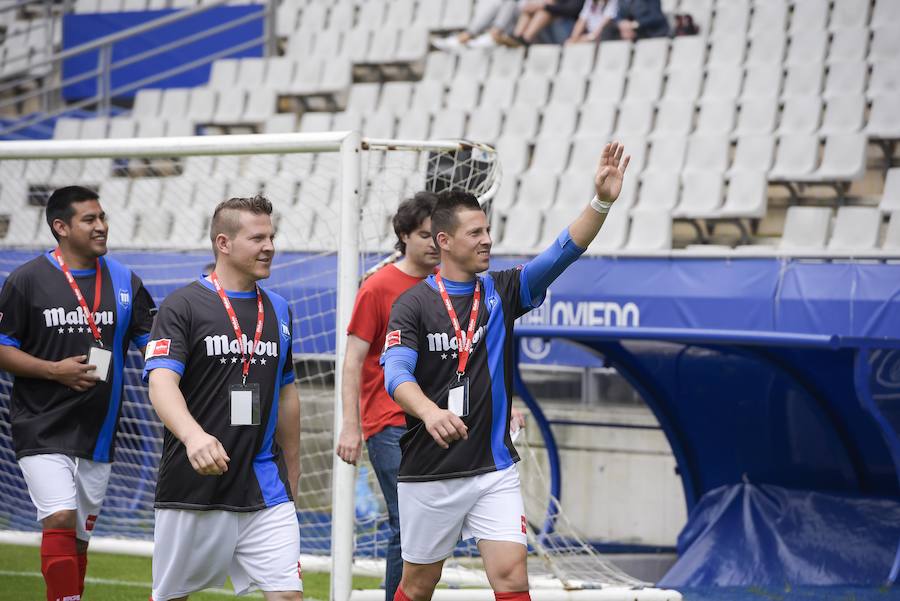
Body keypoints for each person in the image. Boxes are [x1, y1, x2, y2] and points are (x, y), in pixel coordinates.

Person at [381, 142, 630, 601]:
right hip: (430, 472)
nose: (487, 240)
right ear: (444, 241)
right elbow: (395, 373)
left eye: (488, 230)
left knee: (513, 579)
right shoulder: (412, 303)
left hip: (492, 467)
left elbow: (562, 252)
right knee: (417, 587)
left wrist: (602, 201)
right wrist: (430, 412)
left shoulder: (503, 290)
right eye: (475, 232)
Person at [0, 185, 156, 601]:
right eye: (90, 219)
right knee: (60, 518)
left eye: (102, 217)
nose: (101, 226)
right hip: (41, 426)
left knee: (80, 540)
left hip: (98, 432)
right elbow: (3, 347)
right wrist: (54, 371)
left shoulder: (126, 281)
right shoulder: (26, 280)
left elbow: (153, 344)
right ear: (61, 227)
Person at [144, 195, 302, 601]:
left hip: (265, 483)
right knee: (172, 596)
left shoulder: (280, 309)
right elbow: (161, 383)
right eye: (257, 238)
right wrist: (195, 437)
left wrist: (294, 471)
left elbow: (286, 393)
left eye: (272, 236)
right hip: (194, 482)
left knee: (287, 595)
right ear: (223, 243)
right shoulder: (182, 305)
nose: (269, 246)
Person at [432, 0, 521, 51]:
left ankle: (492, 35)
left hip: (521, 34)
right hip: (512, 26)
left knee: (510, 3)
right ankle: (464, 37)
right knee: (497, 5)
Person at [513, 0, 585, 45]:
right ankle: (516, 37)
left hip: (569, 27)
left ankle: (526, 39)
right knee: (529, 11)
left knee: (545, 12)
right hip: (550, 25)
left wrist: (545, 6)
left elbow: (571, 10)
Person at [599, 0, 669, 41]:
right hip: (631, 31)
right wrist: (621, 24)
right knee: (608, 30)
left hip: (650, 31)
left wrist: (634, 25)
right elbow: (618, 15)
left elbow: (656, 17)